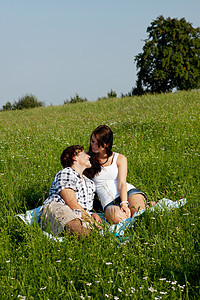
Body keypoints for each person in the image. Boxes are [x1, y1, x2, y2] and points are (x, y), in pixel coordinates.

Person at [84, 125, 156, 224]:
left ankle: (141, 206)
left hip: (127, 193)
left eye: (99, 144)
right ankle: (148, 206)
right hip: (108, 201)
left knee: (139, 214)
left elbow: (122, 183)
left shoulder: (120, 158)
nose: (94, 145)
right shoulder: (86, 159)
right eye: (92, 141)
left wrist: (124, 204)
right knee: (119, 219)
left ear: (107, 144)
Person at [41, 145, 102, 238]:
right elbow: (70, 202)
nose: (88, 156)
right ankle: (92, 238)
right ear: (75, 157)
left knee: (95, 229)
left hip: (80, 216)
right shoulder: (67, 172)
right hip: (60, 207)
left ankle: (94, 238)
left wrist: (93, 215)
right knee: (78, 227)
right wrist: (90, 219)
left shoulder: (90, 183)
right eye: (84, 153)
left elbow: (86, 209)